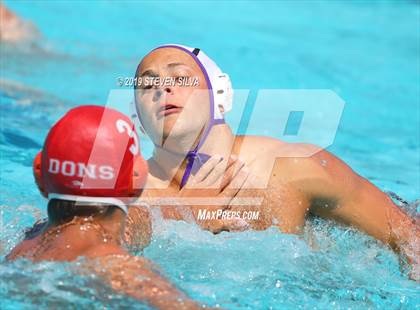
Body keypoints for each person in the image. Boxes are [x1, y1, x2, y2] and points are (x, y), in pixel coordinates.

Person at [132, 44, 419, 279]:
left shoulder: (292, 167)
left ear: (219, 96)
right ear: (140, 122)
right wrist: (185, 212)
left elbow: (406, 236)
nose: (162, 89)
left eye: (181, 78)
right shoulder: (131, 197)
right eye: (147, 86)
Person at [7, 105, 202, 309]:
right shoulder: (121, 271)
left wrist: (188, 209)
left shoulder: (22, 245)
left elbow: (140, 218)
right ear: (136, 179)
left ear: (40, 175)